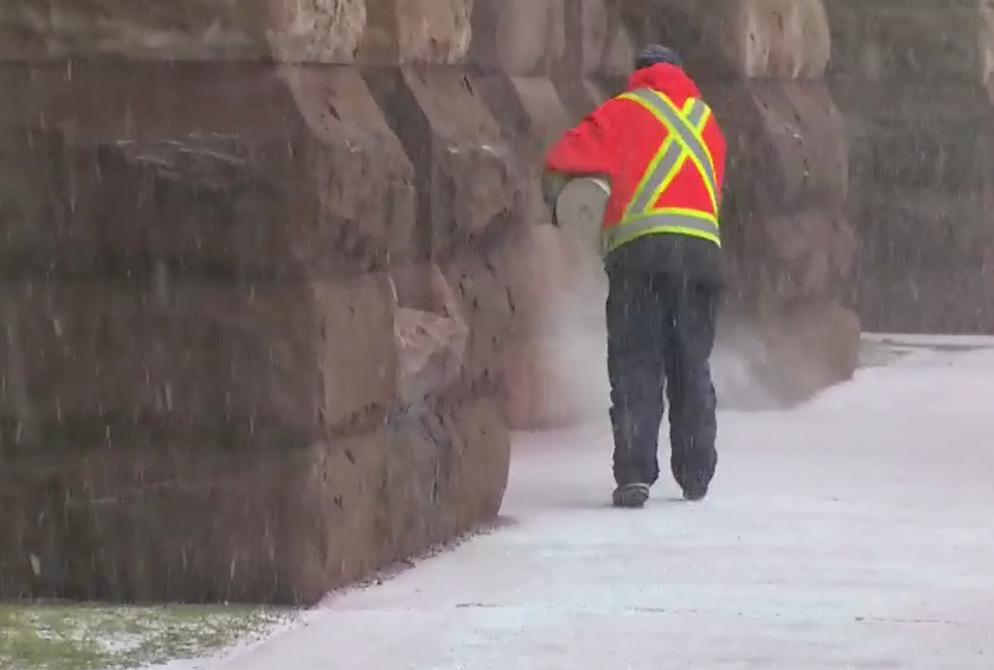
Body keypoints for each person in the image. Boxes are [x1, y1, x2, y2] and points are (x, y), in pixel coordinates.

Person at [542, 44, 727, 508]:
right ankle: (696, 471)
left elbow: (562, 157)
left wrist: (574, 197)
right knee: (691, 363)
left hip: (641, 255)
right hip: (702, 255)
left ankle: (635, 473)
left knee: (636, 362)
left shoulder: (623, 111)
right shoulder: (706, 120)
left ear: (639, 75)